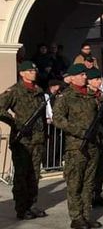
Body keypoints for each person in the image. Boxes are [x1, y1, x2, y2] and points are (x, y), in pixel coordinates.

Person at [53, 64, 102, 228]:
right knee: (75, 183)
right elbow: (58, 119)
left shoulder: (91, 95)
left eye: (85, 75)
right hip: (76, 147)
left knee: (89, 183)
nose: (84, 77)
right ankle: (76, 217)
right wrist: (78, 130)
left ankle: (86, 216)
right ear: (72, 77)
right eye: (81, 75)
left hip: (92, 145)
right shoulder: (65, 96)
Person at [0, 61, 48, 220]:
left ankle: (32, 205)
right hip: (22, 140)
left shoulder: (39, 90)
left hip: (37, 138)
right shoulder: (15, 91)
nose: (33, 72)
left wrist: (44, 134)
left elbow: (40, 115)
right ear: (22, 73)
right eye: (29, 70)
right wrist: (14, 122)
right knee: (21, 174)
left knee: (34, 173)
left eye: (34, 70)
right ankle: (21, 208)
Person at [84, 69, 103, 208]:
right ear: (88, 81)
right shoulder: (84, 95)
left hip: (102, 136)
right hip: (90, 139)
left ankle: (97, 194)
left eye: (100, 79)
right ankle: (87, 198)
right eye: (96, 79)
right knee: (90, 170)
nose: (99, 81)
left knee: (101, 168)